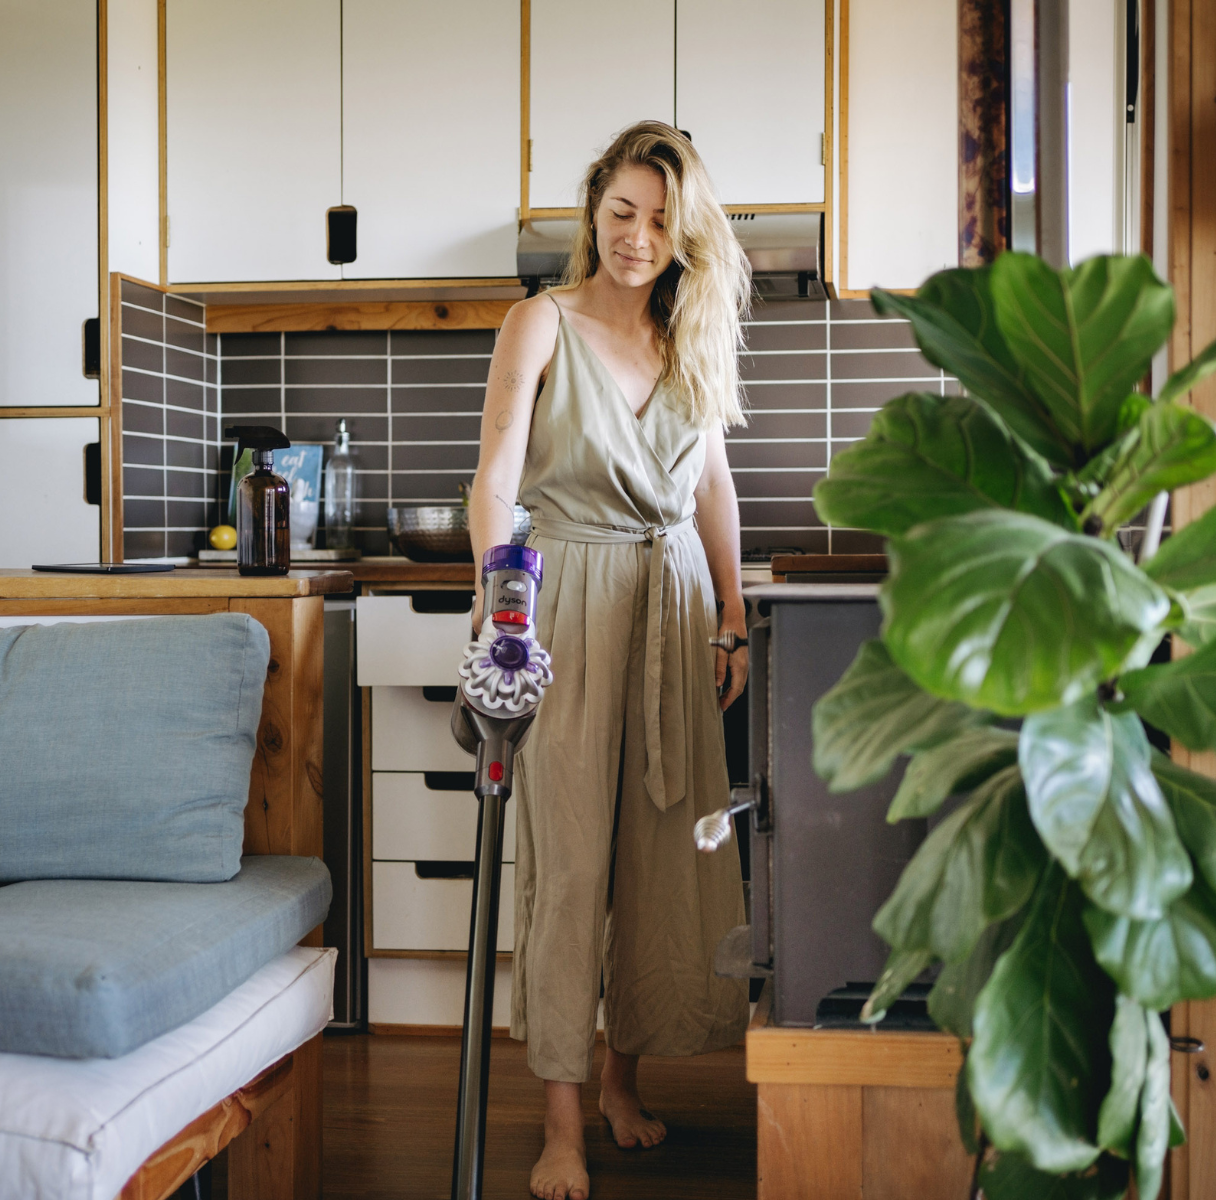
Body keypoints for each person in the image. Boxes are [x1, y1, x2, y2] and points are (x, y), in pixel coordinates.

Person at [466, 121, 752, 1200]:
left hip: (676, 606)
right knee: (568, 864)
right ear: (593, 211)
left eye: (661, 218)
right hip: (567, 602)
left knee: (655, 858)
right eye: (623, 211)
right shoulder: (539, 323)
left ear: (687, 234)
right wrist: (504, 601)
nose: (638, 236)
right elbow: (495, 474)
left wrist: (731, 609)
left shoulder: (691, 339)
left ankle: (620, 1082)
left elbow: (713, 485)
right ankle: (561, 1125)